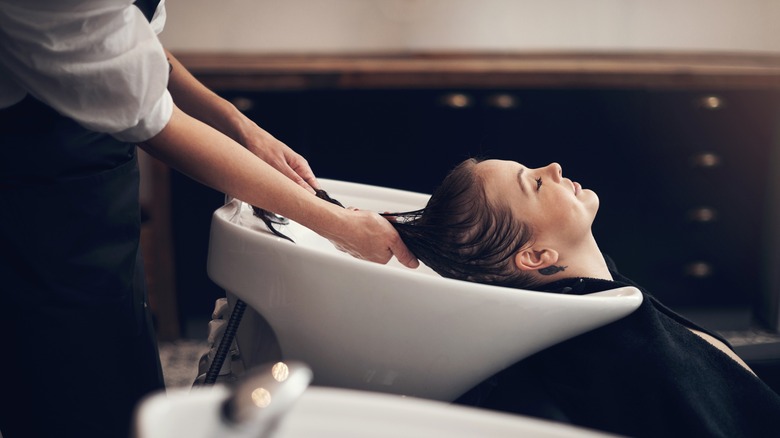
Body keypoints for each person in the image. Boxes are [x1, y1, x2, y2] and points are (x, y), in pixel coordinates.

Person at [0, 1, 417, 437]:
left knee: (129, 377)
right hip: (34, 199)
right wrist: (331, 221)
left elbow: (136, 52)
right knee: (75, 399)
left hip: (99, 183)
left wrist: (242, 127)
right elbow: (156, 124)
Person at [383, 157, 780, 438]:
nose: (553, 168)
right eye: (535, 183)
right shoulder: (628, 354)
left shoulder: (611, 303)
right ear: (536, 256)